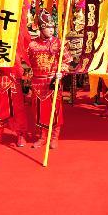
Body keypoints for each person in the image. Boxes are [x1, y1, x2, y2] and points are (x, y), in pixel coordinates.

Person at [26, 10, 70, 149]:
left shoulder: (58, 43)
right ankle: (42, 136)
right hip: (37, 82)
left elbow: (67, 60)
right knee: (39, 111)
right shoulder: (32, 45)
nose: (51, 30)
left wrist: (61, 72)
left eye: (52, 27)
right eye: (48, 27)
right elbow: (24, 60)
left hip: (52, 82)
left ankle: (54, 136)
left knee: (55, 110)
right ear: (41, 28)